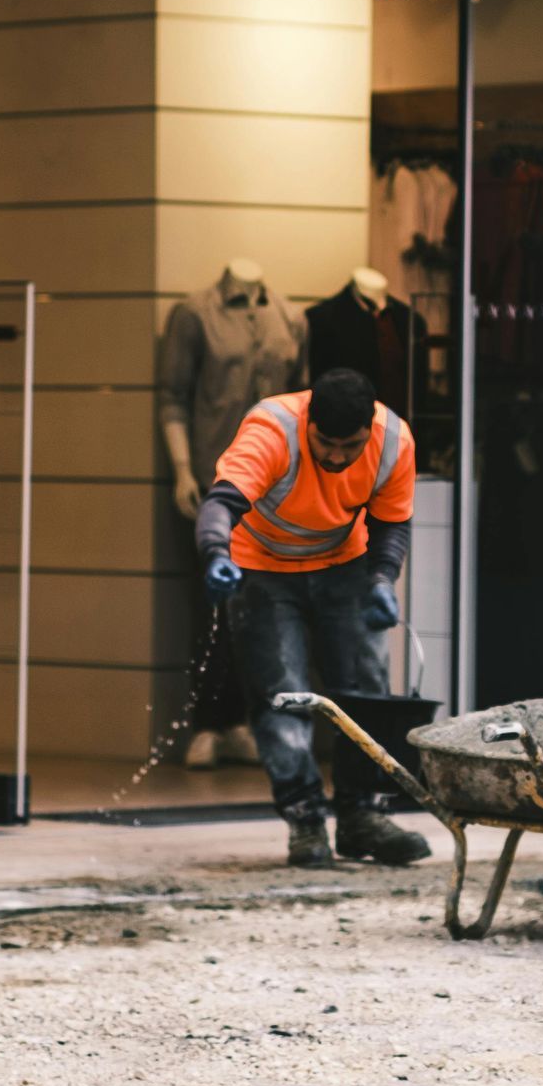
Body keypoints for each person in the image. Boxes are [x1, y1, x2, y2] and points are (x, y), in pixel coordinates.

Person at [197, 366, 431, 870]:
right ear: (309, 424)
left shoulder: (394, 441)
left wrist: (381, 581)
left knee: (365, 690)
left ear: (369, 428)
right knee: (282, 695)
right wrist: (217, 553)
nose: (337, 457)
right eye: (326, 443)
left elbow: (392, 521)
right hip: (259, 568)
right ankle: (305, 821)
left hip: (343, 565)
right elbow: (221, 503)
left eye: (350, 446)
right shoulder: (273, 428)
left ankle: (362, 817)